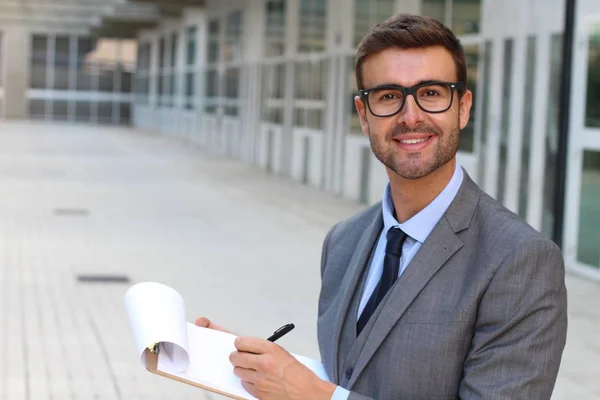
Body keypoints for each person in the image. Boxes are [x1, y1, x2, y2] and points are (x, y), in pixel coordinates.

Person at [196, 13, 568, 400]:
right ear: (363, 115)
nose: (411, 116)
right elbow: (354, 376)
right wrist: (254, 367)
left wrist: (315, 396)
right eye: (388, 96)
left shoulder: (520, 260)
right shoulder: (343, 240)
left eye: (432, 93)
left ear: (463, 107)